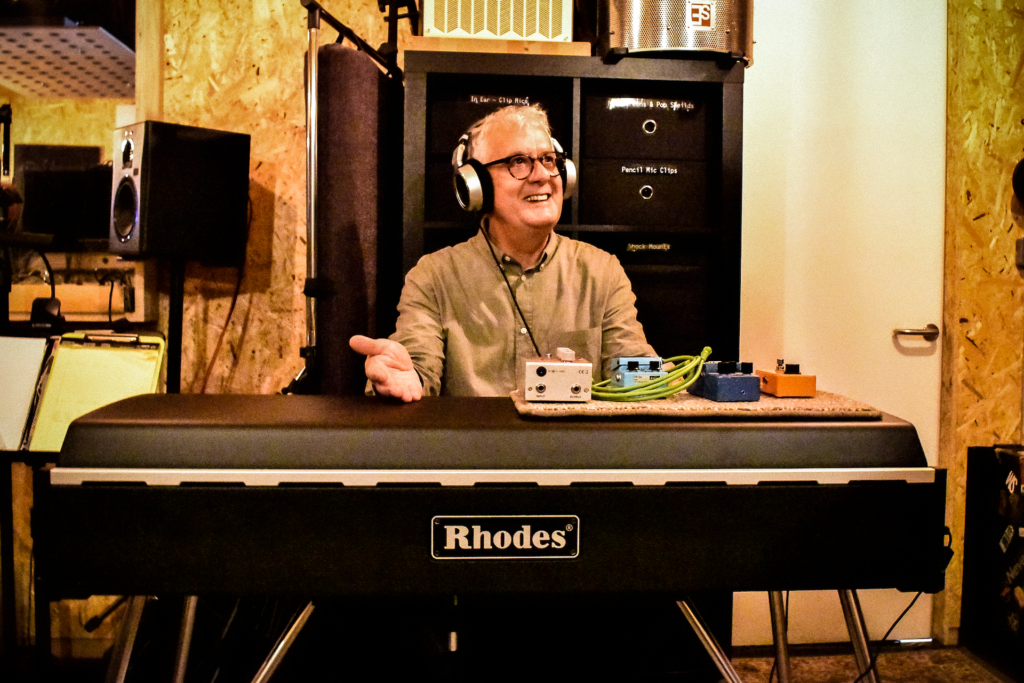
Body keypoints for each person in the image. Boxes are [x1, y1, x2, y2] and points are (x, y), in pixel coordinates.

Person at [350, 103, 655, 400]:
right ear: (476, 185)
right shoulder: (433, 277)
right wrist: (404, 379)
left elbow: (635, 374)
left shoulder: (602, 272)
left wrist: (660, 380)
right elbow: (418, 371)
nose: (542, 175)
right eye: (519, 162)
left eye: (549, 160)